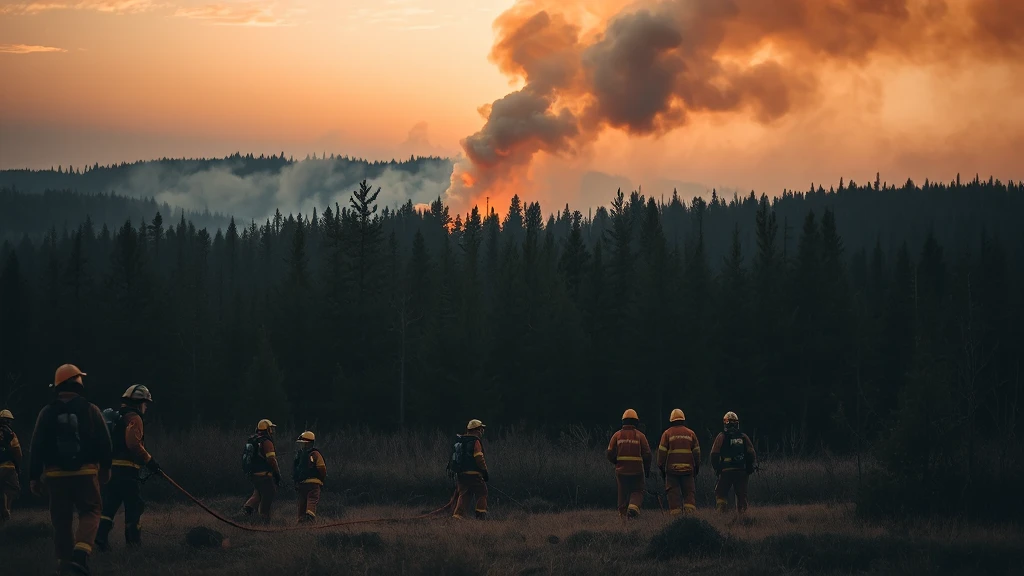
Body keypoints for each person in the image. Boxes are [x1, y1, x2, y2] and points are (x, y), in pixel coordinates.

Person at [29, 364, 112, 576]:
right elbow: (104, 441)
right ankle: (81, 555)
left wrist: (33, 477)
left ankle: (64, 565)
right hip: (85, 473)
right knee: (91, 510)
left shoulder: (46, 412)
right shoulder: (90, 409)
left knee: (61, 521)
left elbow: (36, 446)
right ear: (77, 382)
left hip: (55, 476)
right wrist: (106, 468)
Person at [95, 385, 160, 550]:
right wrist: (149, 461)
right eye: (145, 403)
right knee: (134, 506)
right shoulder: (134, 418)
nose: (146, 407)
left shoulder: (117, 418)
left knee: (109, 505)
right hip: (127, 471)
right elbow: (133, 443)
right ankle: (133, 543)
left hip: (111, 470)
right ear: (139, 403)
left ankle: (100, 538)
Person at [606, 409, 652, 519]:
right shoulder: (641, 436)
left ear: (623, 421)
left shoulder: (616, 435)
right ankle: (633, 508)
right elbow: (647, 454)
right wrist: (647, 470)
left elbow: (609, 453)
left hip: (621, 471)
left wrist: (615, 462)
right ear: (636, 422)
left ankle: (622, 517)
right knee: (638, 490)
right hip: (637, 471)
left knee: (622, 492)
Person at [710, 411, 757, 514]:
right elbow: (751, 452)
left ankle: (721, 513)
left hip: (726, 471)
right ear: (737, 423)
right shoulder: (743, 436)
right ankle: (743, 516)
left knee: (720, 492)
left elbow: (714, 454)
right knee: (741, 495)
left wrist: (717, 468)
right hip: (741, 470)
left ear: (725, 423)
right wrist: (750, 466)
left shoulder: (721, 436)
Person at [657, 408, 701, 515]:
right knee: (689, 494)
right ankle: (690, 517)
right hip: (688, 471)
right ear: (683, 420)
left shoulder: (667, 434)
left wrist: (661, 467)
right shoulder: (691, 433)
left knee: (673, 494)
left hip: (672, 472)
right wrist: (697, 467)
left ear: (671, 420)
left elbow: (662, 453)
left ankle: (676, 518)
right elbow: (697, 453)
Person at [242, 419, 281, 520]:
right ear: (267, 429)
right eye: (271, 429)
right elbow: (271, 460)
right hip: (264, 475)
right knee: (269, 493)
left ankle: (246, 511)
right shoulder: (267, 441)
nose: (272, 431)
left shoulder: (254, 440)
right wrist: (277, 473)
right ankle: (263, 519)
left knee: (258, 493)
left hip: (254, 475)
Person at [450, 419, 489, 520]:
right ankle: (480, 516)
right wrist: (485, 471)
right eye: (481, 429)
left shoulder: (461, 440)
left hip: (461, 475)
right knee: (482, 493)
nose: (482, 432)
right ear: (477, 430)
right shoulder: (475, 441)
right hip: (474, 474)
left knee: (464, 495)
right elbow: (479, 458)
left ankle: (457, 517)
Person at [292, 431, 327, 523]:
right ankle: (309, 517)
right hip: (314, 483)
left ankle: (300, 519)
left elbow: (295, 470)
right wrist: (322, 479)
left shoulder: (298, 455)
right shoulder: (315, 454)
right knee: (312, 499)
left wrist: (296, 482)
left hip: (301, 483)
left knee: (302, 502)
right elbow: (322, 468)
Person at [0, 408, 23, 523]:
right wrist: (18, 465)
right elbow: (17, 450)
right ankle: (7, 510)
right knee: (13, 489)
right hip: (8, 466)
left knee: (2, 489)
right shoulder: (10, 433)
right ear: (8, 421)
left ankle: (3, 511)